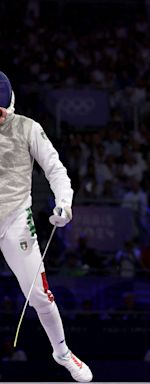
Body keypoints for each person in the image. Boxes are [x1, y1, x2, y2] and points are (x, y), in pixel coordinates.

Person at [0, 72, 92, 382]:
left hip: (15, 219)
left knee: (39, 296)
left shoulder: (27, 128)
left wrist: (64, 202)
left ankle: (63, 353)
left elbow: (55, 169)